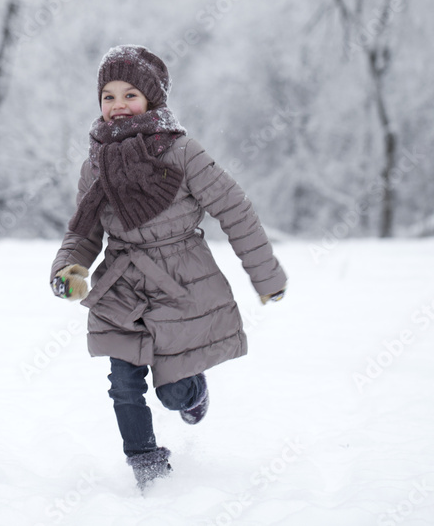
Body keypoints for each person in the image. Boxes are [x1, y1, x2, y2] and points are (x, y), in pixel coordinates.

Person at [49, 44, 286, 491]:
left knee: (173, 392)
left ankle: (191, 392)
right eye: (108, 96)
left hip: (180, 280)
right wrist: (69, 268)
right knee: (123, 382)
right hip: (121, 285)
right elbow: (83, 229)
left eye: (130, 94)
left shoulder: (181, 151)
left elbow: (235, 210)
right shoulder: (95, 163)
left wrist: (266, 275)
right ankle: (148, 467)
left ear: (153, 100)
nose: (118, 106)